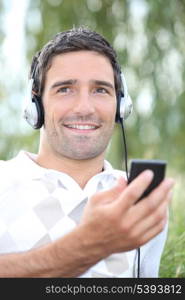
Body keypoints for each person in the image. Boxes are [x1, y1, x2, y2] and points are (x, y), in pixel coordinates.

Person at [0, 26, 174, 278]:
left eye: (100, 90)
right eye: (65, 89)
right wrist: (86, 246)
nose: (85, 107)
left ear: (121, 106)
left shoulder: (137, 200)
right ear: (34, 103)